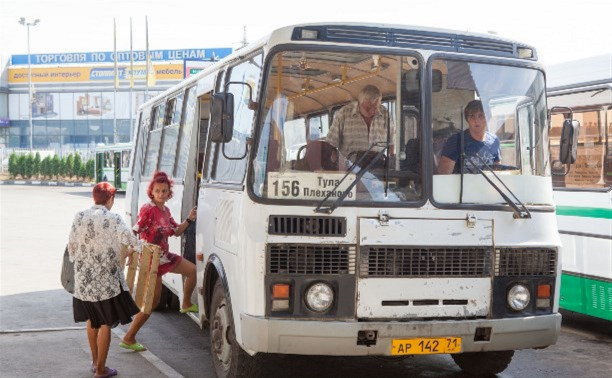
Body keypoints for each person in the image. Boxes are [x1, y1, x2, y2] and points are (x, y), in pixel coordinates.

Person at [68, 182, 141, 378]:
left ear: (94, 197)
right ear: (110, 199)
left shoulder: (79, 216)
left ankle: (94, 362)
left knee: (93, 321)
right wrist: (137, 249)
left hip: (83, 282)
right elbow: (132, 241)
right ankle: (101, 370)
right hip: (105, 283)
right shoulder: (113, 218)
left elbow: (72, 248)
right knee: (105, 324)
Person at [120, 171, 197, 352]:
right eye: (158, 191)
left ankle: (185, 303)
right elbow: (135, 230)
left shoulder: (166, 210)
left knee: (192, 271)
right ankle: (128, 337)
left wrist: (189, 219)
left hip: (164, 257)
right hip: (150, 259)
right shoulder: (148, 209)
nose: (161, 194)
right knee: (151, 303)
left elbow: (176, 232)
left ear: (169, 192)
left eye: (164, 191)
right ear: (152, 192)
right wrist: (131, 250)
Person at [326, 84, 394, 161]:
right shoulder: (343, 114)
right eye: (367, 108)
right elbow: (330, 145)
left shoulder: (386, 114)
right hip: (350, 170)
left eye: (375, 107)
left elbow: (392, 143)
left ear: (379, 102)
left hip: (379, 170)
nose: (371, 111)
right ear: (359, 102)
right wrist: (338, 166)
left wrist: (391, 161)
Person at [437, 99, 501, 174]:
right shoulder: (456, 141)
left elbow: (498, 172)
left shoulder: (494, 141)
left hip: (487, 185)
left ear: (488, 118)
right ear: (467, 119)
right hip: (462, 185)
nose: (476, 120)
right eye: (472, 116)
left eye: (481, 115)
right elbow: (444, 176)